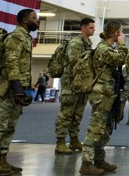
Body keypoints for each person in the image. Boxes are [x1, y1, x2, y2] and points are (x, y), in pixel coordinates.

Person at [0, 9, 39, 175]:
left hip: (17, 89)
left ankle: (2, 159)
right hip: (8, 89)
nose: (37, 21)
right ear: (24, 20)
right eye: (34, 18)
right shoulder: (16, 36)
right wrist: (17, 87)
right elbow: (11, 62)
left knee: (9, 126)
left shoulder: (26, 37)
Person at [78, 21, 128, 175]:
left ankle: (99, 159)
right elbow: (121, 59)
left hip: (108, 92)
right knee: (95, 129)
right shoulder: (103, 49)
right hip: (101, 93)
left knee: (105, 129)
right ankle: (86, 164)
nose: (121, 35)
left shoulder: (107, 48)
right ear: (115, 33)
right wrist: (123, 44)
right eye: (120, 32)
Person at [55, 17, 95, 155]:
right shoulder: (76, 43)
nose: (93, 30)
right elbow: (75, 62)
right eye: (91, 27)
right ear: (83, 28)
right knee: (66, 113)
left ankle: (73, 139)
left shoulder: (87, 43)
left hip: (82, 84)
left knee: (77, 114)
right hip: (71, 83)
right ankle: (60, 142)